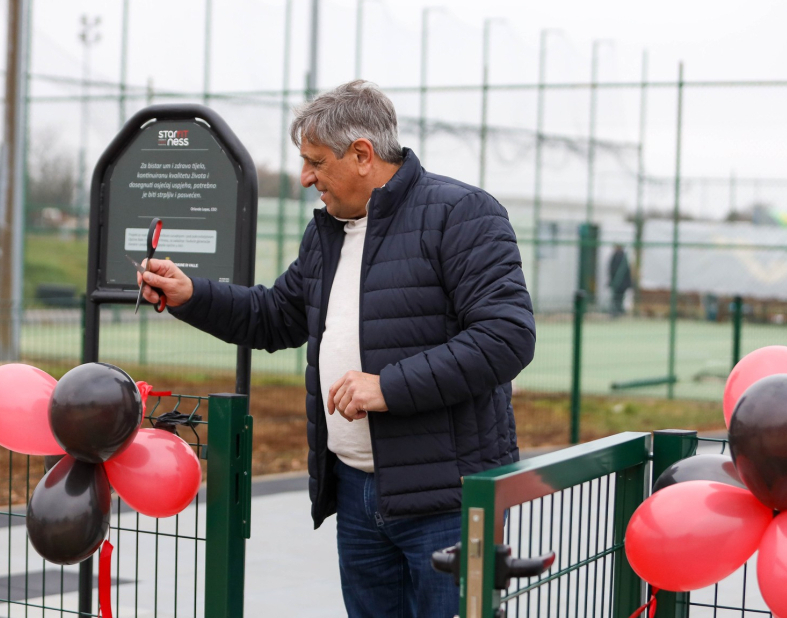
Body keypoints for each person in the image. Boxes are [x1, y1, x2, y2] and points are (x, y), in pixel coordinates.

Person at [137, 80, 535, 618]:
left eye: (316, 162)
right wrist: (192, 295)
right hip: (355, 491)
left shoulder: (462, 214)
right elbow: (275, 316)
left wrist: (388, 387)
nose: (306, 178)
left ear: (363, 155)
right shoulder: (328, 231)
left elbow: (507, 336)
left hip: (449, 498)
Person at [608, 244, 632, 317]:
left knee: (619, 297)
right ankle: (616, 311)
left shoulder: (622, 257)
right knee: (616, 297)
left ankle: (618, 311)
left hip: (621, 283)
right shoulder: (618, 256)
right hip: (617, 283)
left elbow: (627, 271)